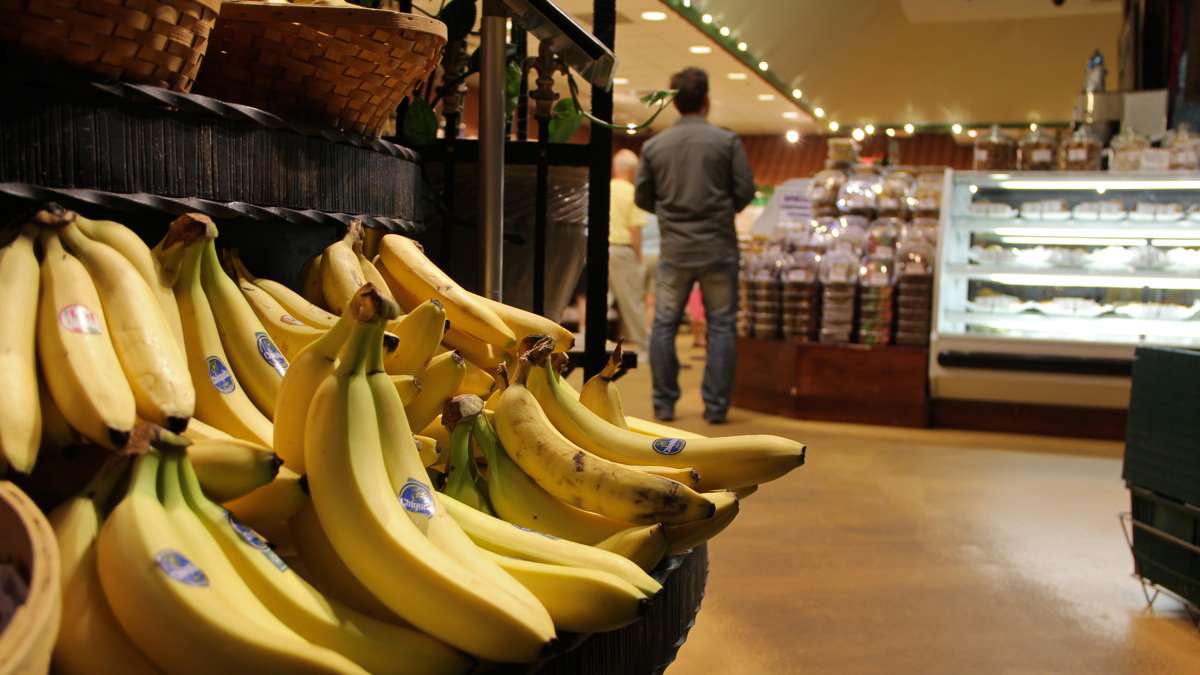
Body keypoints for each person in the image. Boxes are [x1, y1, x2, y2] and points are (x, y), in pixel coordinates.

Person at [635, 67, 756, 424]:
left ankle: (664, 404)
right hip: (719, 247)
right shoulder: (726, 142)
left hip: (675, 249)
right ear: (706, 100)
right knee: (721, 326)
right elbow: (745, 190)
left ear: (674, 102)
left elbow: (643, 197)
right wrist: (722, 211)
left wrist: (670, 213)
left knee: (664, 325)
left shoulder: (654, 146)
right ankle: (716, 408)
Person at [608, 149, 649, 353]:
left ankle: (593, 342)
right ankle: (643, 347)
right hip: (623, 251)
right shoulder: (633, 193)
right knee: (633, 301)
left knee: (601, 300)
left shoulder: (603, 188)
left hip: (600, 250)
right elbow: (635, 230)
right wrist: (639, 256)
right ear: (633, 171)